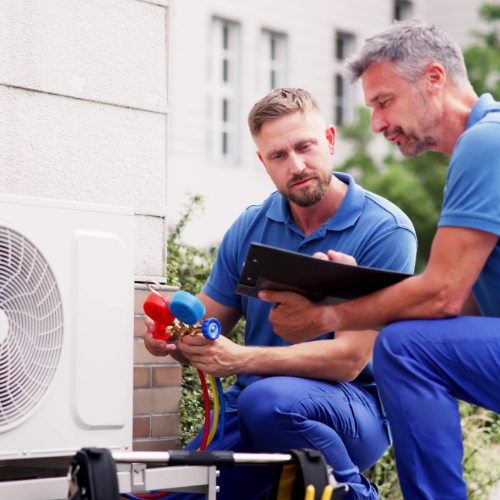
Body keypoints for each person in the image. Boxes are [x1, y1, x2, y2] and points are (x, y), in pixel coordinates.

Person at [260, 20, 500, 500]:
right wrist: (364, 291)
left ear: (434, 79)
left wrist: (326, 316)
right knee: (411, 340)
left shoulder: (486, 143)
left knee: (404, 348)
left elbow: (443, 296)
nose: (376, 125)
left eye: (384, 102)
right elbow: (468, 307)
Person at [143, 88, 417, 500]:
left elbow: (349, 360)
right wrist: (174, 340)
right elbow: (203, 332)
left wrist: (242, 358)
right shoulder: (249, 227)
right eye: (278, 155)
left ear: (329, 139)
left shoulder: (385, 231)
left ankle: (357, 495)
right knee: (171, 494)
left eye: (305, 146)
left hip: (355, 409)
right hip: (249, 409)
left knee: (267, 399)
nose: (297, 165)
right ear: (262, 162)